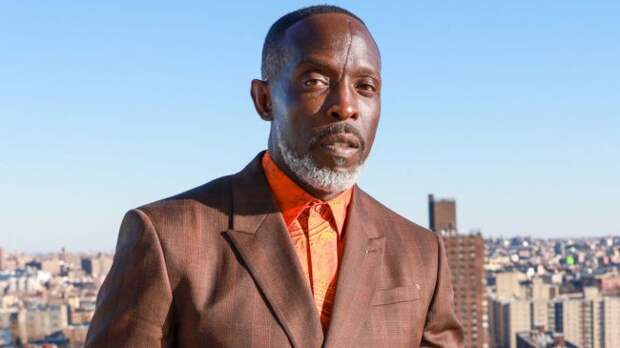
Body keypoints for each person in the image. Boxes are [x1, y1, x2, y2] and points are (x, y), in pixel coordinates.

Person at [85, 5, 464, 347]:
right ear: (264, 100)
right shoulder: (169, 237)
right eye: (315, 81)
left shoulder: (421, 253)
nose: (346, 107)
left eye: (365, 87)